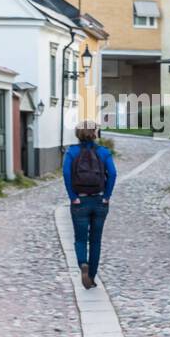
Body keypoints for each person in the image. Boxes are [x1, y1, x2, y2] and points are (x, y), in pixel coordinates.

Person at [63, 120, 117, 289]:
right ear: (95, 134)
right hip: (99, 201)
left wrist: (73, 197)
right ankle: (91, 277)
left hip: (80, 201)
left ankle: (82, 264)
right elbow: (113, 174)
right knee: (95, 241)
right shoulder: (103, 152)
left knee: (80, 239)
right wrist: (106, 196)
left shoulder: (71, 152)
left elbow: (66, 175)